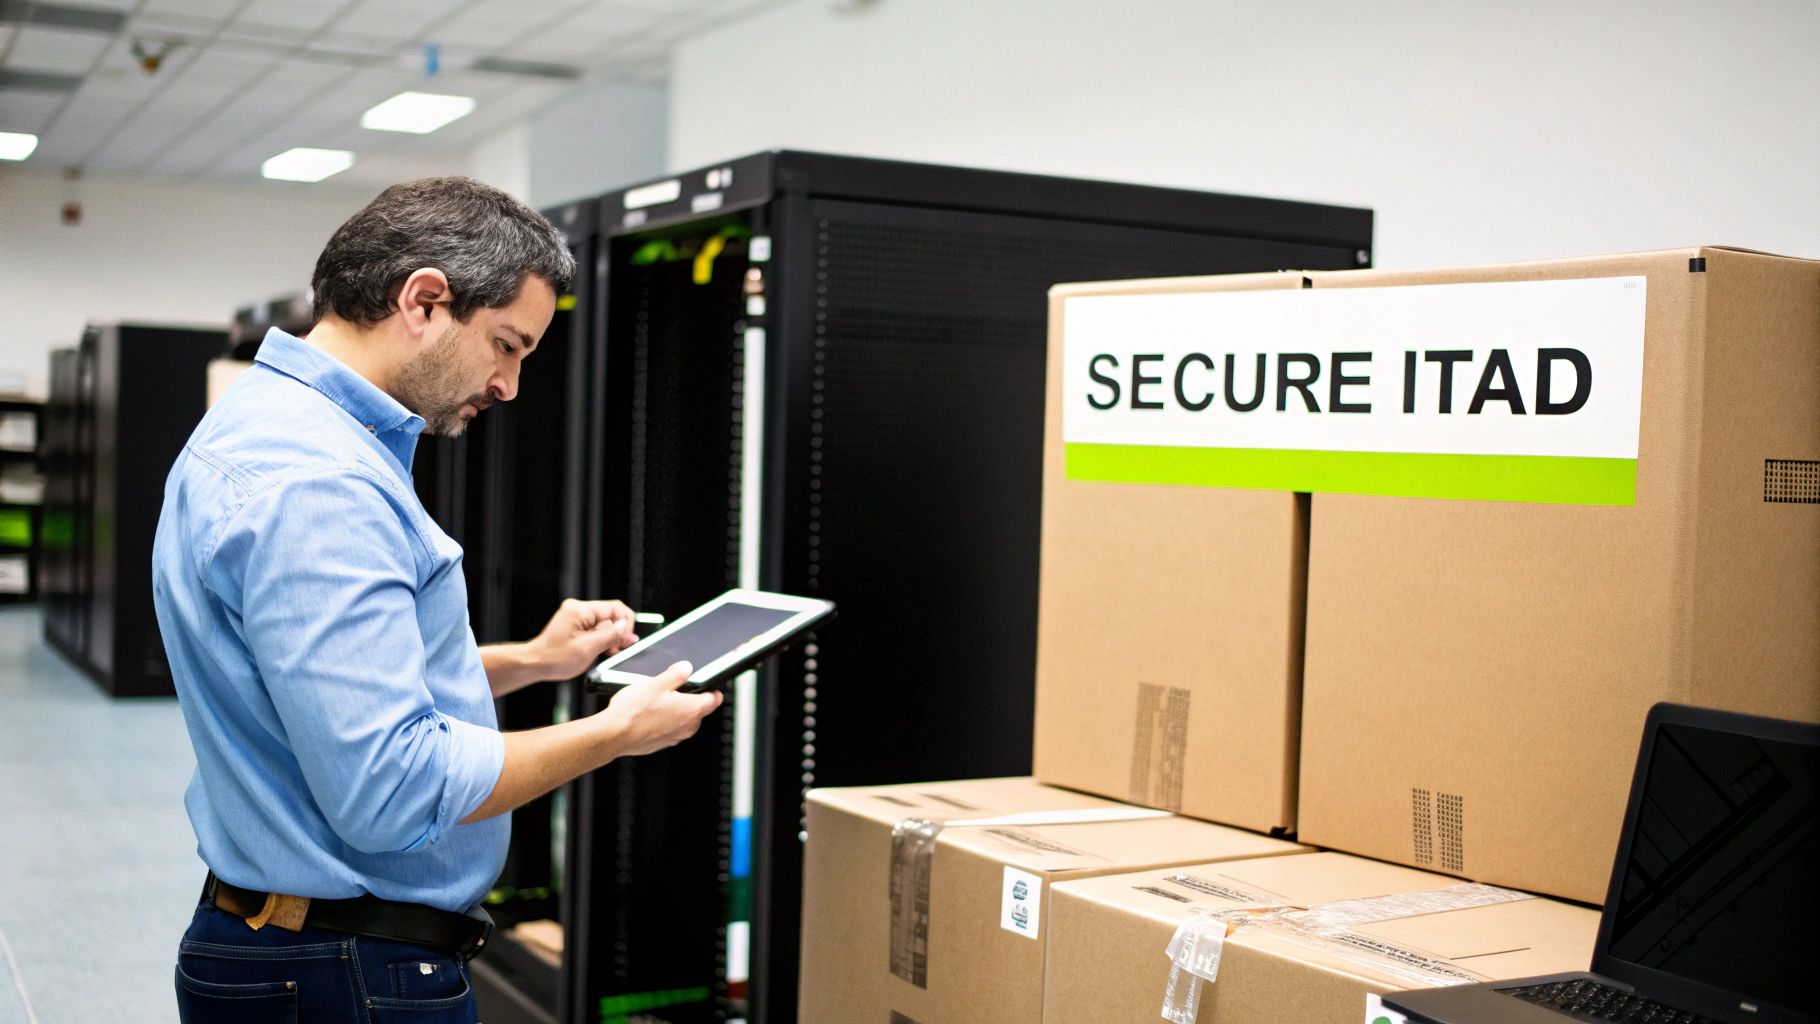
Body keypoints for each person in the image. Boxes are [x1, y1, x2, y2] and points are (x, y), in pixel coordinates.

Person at [151, 177, 722, 1024]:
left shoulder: (271, 426)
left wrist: (533, 662)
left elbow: (323, 687)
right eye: (507, 344)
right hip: (343, 973)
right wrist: (614, 734)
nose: (510, 384)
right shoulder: (320, 483)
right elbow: (392, 788)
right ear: (424, 299)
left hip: (304, 952)